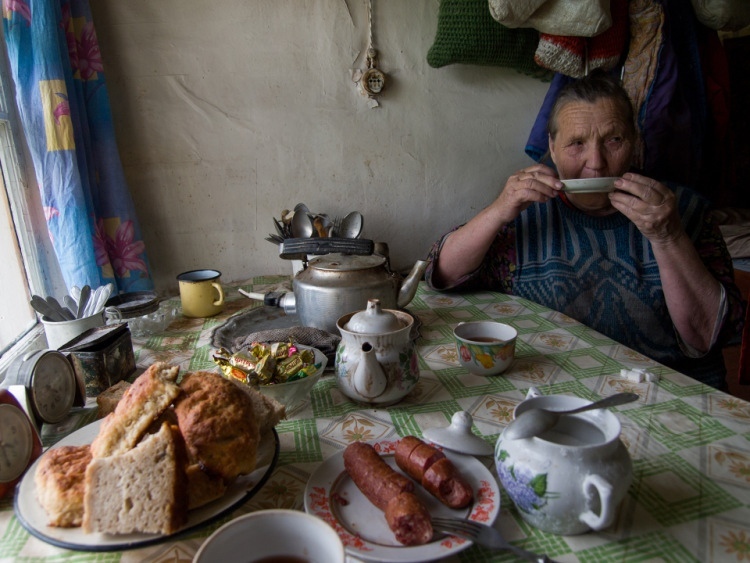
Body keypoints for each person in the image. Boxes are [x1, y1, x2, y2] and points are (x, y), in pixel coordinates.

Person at [426, 71, 745, 390]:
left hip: (666, 393)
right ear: (552, 147)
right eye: (577, 143)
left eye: (613, 140)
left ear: (634, 141)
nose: (596, 162)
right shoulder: (527, 211)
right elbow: (443, 274)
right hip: (553, 387)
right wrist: (498, 210)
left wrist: (668, 236)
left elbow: (707, 336)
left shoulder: (682, 212)